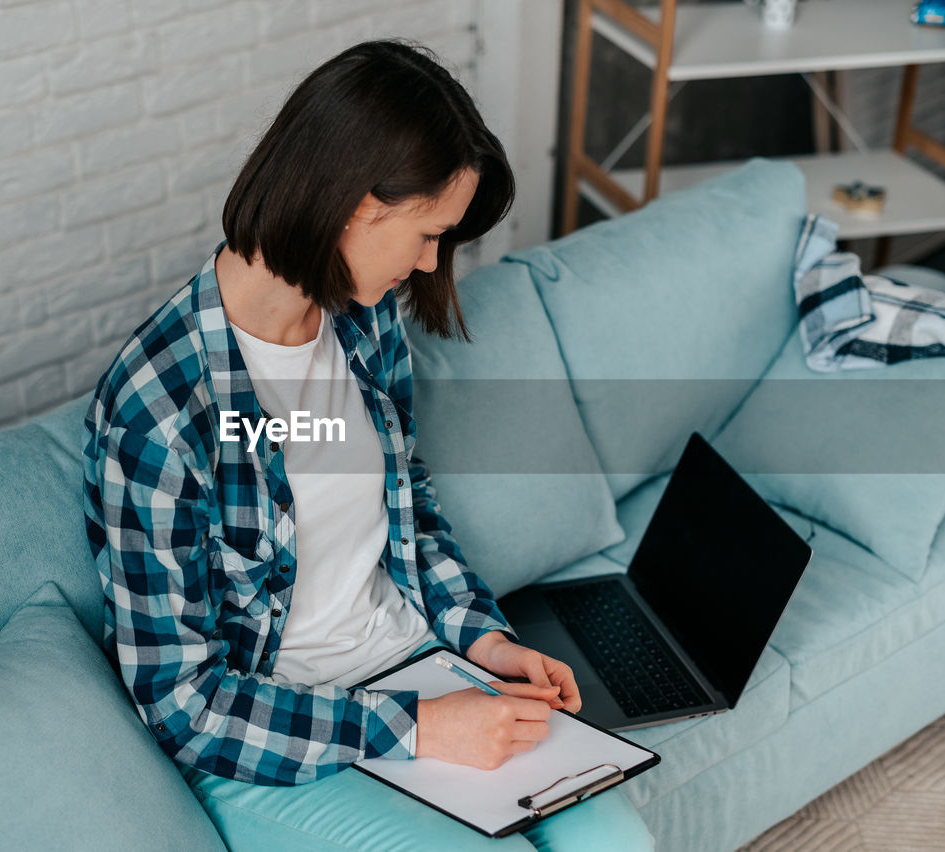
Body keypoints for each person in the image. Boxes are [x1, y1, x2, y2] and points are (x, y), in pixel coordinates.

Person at [82, 40, 653, 851]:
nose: (430, 263)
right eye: (427, 234)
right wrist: (416, 729)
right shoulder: (159, 411)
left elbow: (410, 507)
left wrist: (486, 643)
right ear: (355, 203)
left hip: (417, 665)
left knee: (617, 845)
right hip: (273, 736)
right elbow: (185, 705)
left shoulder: (363, 318)